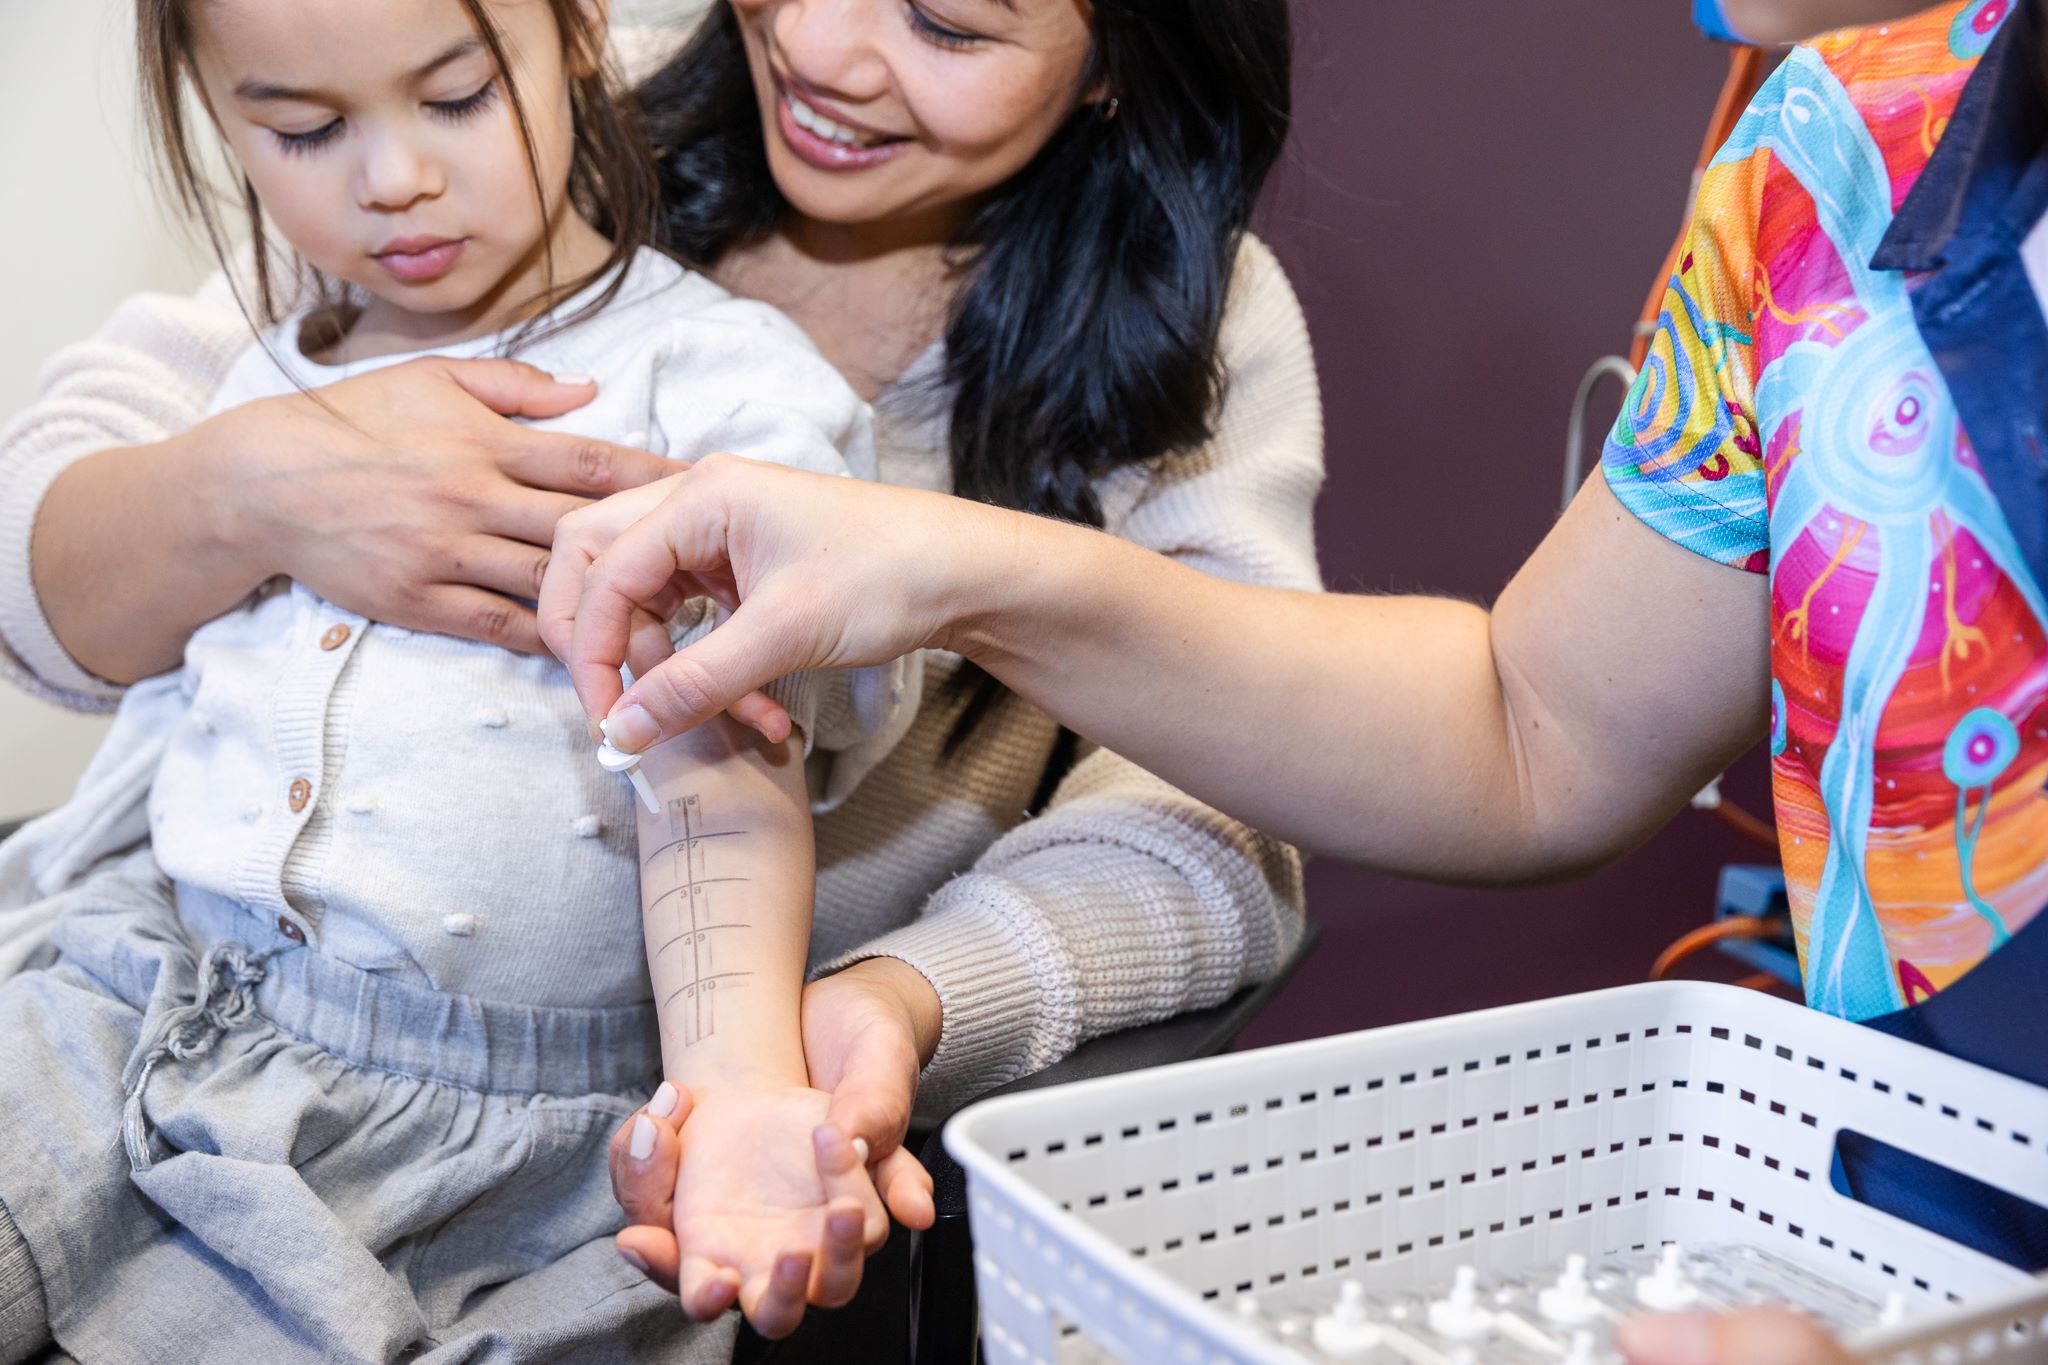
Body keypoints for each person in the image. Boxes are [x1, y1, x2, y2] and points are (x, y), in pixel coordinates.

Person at [549, 1, 2048, 1360]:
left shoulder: (1183, 337)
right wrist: (961, 571)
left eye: (949, 23)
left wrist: (912, 988)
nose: (826, 46)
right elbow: (1538, 727)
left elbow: (1235, 847)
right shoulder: (1832, 158)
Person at [0, 0, 1316, 1345]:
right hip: (144, 978)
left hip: (550, 1097)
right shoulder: (454, 110)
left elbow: (1225, 818)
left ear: (1119, 60)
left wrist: (856, 1017)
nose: (823, 47)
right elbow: (46, 547)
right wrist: (254, 487)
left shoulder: (1162, 320)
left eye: (942, 21)